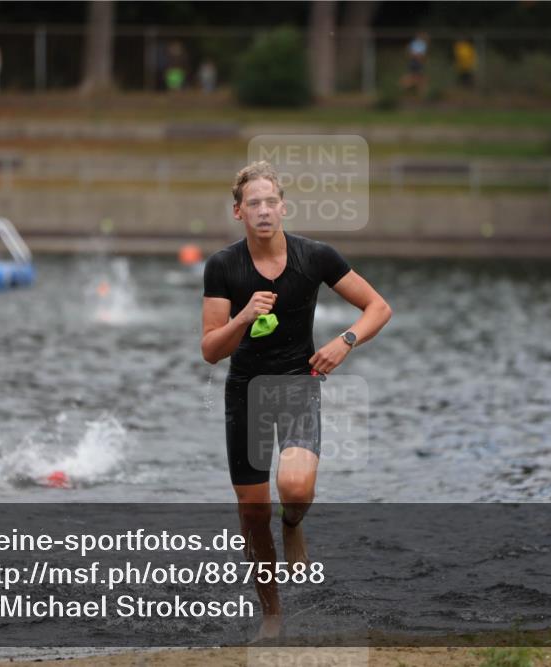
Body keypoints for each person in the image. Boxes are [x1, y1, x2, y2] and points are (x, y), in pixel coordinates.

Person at [201, 161, 391, 639]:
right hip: (245, 391)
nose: (263, 211)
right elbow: (209, 351)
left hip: (299, 384)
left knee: (296, 488)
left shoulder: (316, 256)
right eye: (254, 204)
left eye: (271, 202)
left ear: (283, 207)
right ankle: (272, 613)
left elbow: (377, 308)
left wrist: (343, 341)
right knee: (251, 513)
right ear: (238, 212)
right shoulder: (223, 266)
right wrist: (243, 316)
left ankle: (295, 523)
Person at [401, 31, 429, 96]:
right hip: (414, 61)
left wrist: (418, 57)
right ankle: (406, 87)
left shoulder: (422, 44)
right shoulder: (414, 43)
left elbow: (422, 55)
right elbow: (411, 53)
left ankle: (418, 92)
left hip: (418, 61)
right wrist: (416, 56)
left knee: (418, 77)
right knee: (415, 77)